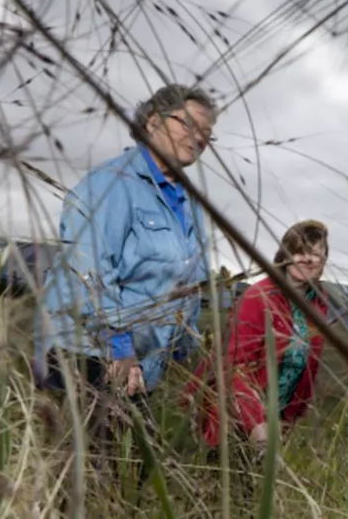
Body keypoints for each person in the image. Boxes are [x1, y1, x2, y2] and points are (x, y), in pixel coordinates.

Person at [33, 83, 217, 460]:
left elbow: (188, 281)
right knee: (90, 476)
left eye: (207, 135)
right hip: (89, 354)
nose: (198, 138)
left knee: (128, 474)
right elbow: (88, 272)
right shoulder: (111, 184)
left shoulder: (187, 202)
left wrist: (182, 345)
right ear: (152, 121)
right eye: (188, 125)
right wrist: (119, 346)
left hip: (140, 361)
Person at [184, 220, 332, 455]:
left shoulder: (318, 302)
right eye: (300, 251)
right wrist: (255, 424)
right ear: (285, 254)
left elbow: (308, 367)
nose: (308, 259)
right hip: (232, 416)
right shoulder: (258, 296)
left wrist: (290, 418)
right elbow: (233, 367)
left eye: (316, 254)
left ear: (324, 260)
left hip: (275, 418)